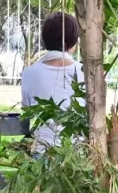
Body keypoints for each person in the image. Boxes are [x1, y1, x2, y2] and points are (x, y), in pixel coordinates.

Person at [21, 11, 84, 152]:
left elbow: (27, 111)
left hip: (42, 152)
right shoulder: (85, 72)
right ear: (73, 41)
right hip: (79, 153)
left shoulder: (30, 73)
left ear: (45, 39)